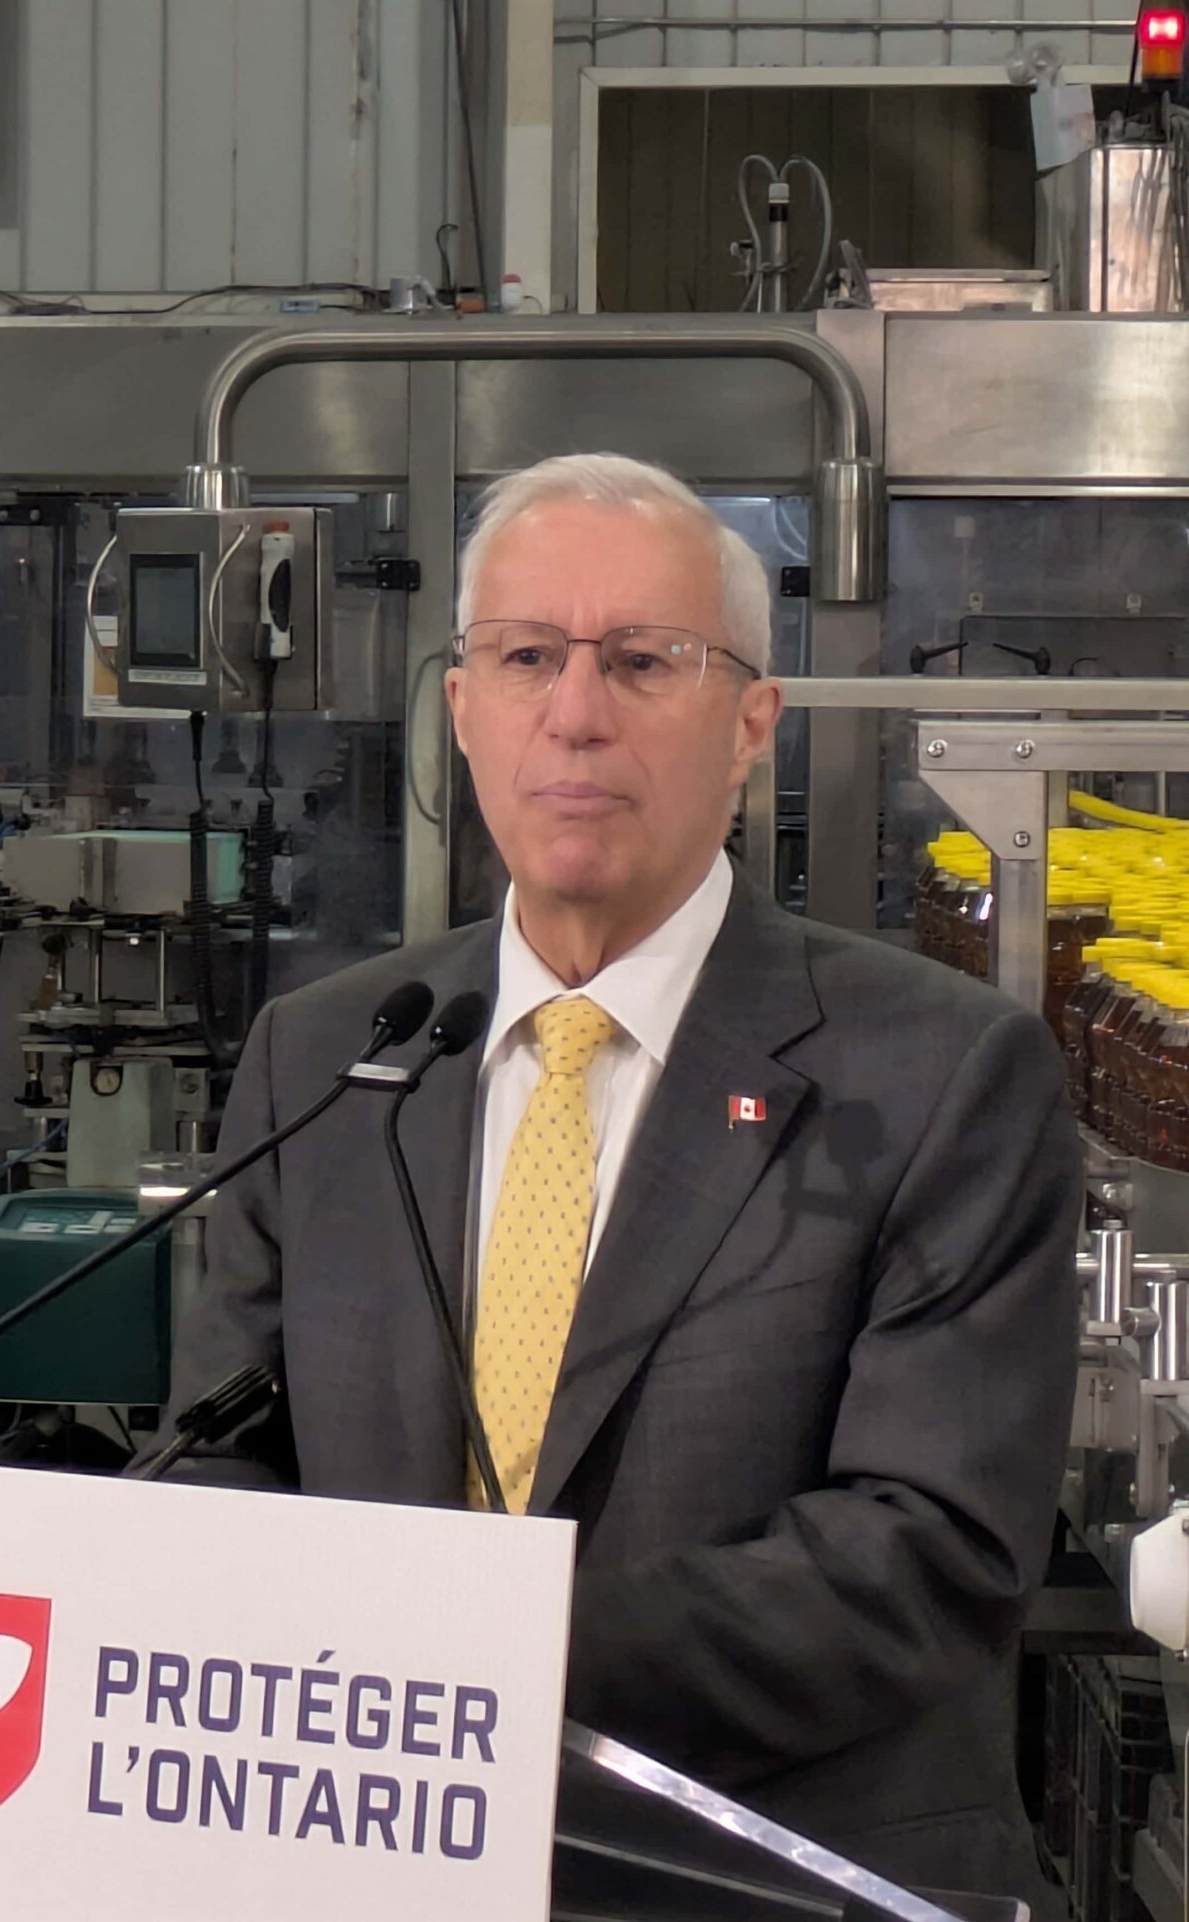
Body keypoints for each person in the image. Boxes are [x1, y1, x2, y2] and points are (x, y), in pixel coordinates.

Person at [164, 452, 1081, 1907]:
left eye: (643, 661)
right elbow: (214, 1460)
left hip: (768, 1873)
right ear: (463, 709)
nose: (575, 713)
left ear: (750, 725)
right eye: (526, 656)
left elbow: (927, 1550)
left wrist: (473, 1660)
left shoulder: (942, 1075)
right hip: (374, 1860)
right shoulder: (331, 1058)